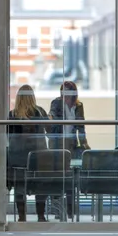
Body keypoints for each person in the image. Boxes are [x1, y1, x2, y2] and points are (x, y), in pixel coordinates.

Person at [7, 85, 49, 222]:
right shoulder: (40, 112)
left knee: (19, 186)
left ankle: (21, 217)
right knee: (40, 186)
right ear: (32, 97)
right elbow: (50, 130)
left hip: (18, 158)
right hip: (39, 157)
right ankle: (41, 216)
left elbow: (8, 137)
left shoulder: (12, 115)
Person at [48, 80, 90, 221]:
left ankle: (71, 211)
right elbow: (52, 117)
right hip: (57, 145)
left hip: (71, 144)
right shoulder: (56, 103)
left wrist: (84, 143)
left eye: (68, 92)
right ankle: (58, 210)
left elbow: (81, 126)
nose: (65, 95)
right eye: (63, 92)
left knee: (71, 179)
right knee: (58, 178)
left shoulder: (78, 106)